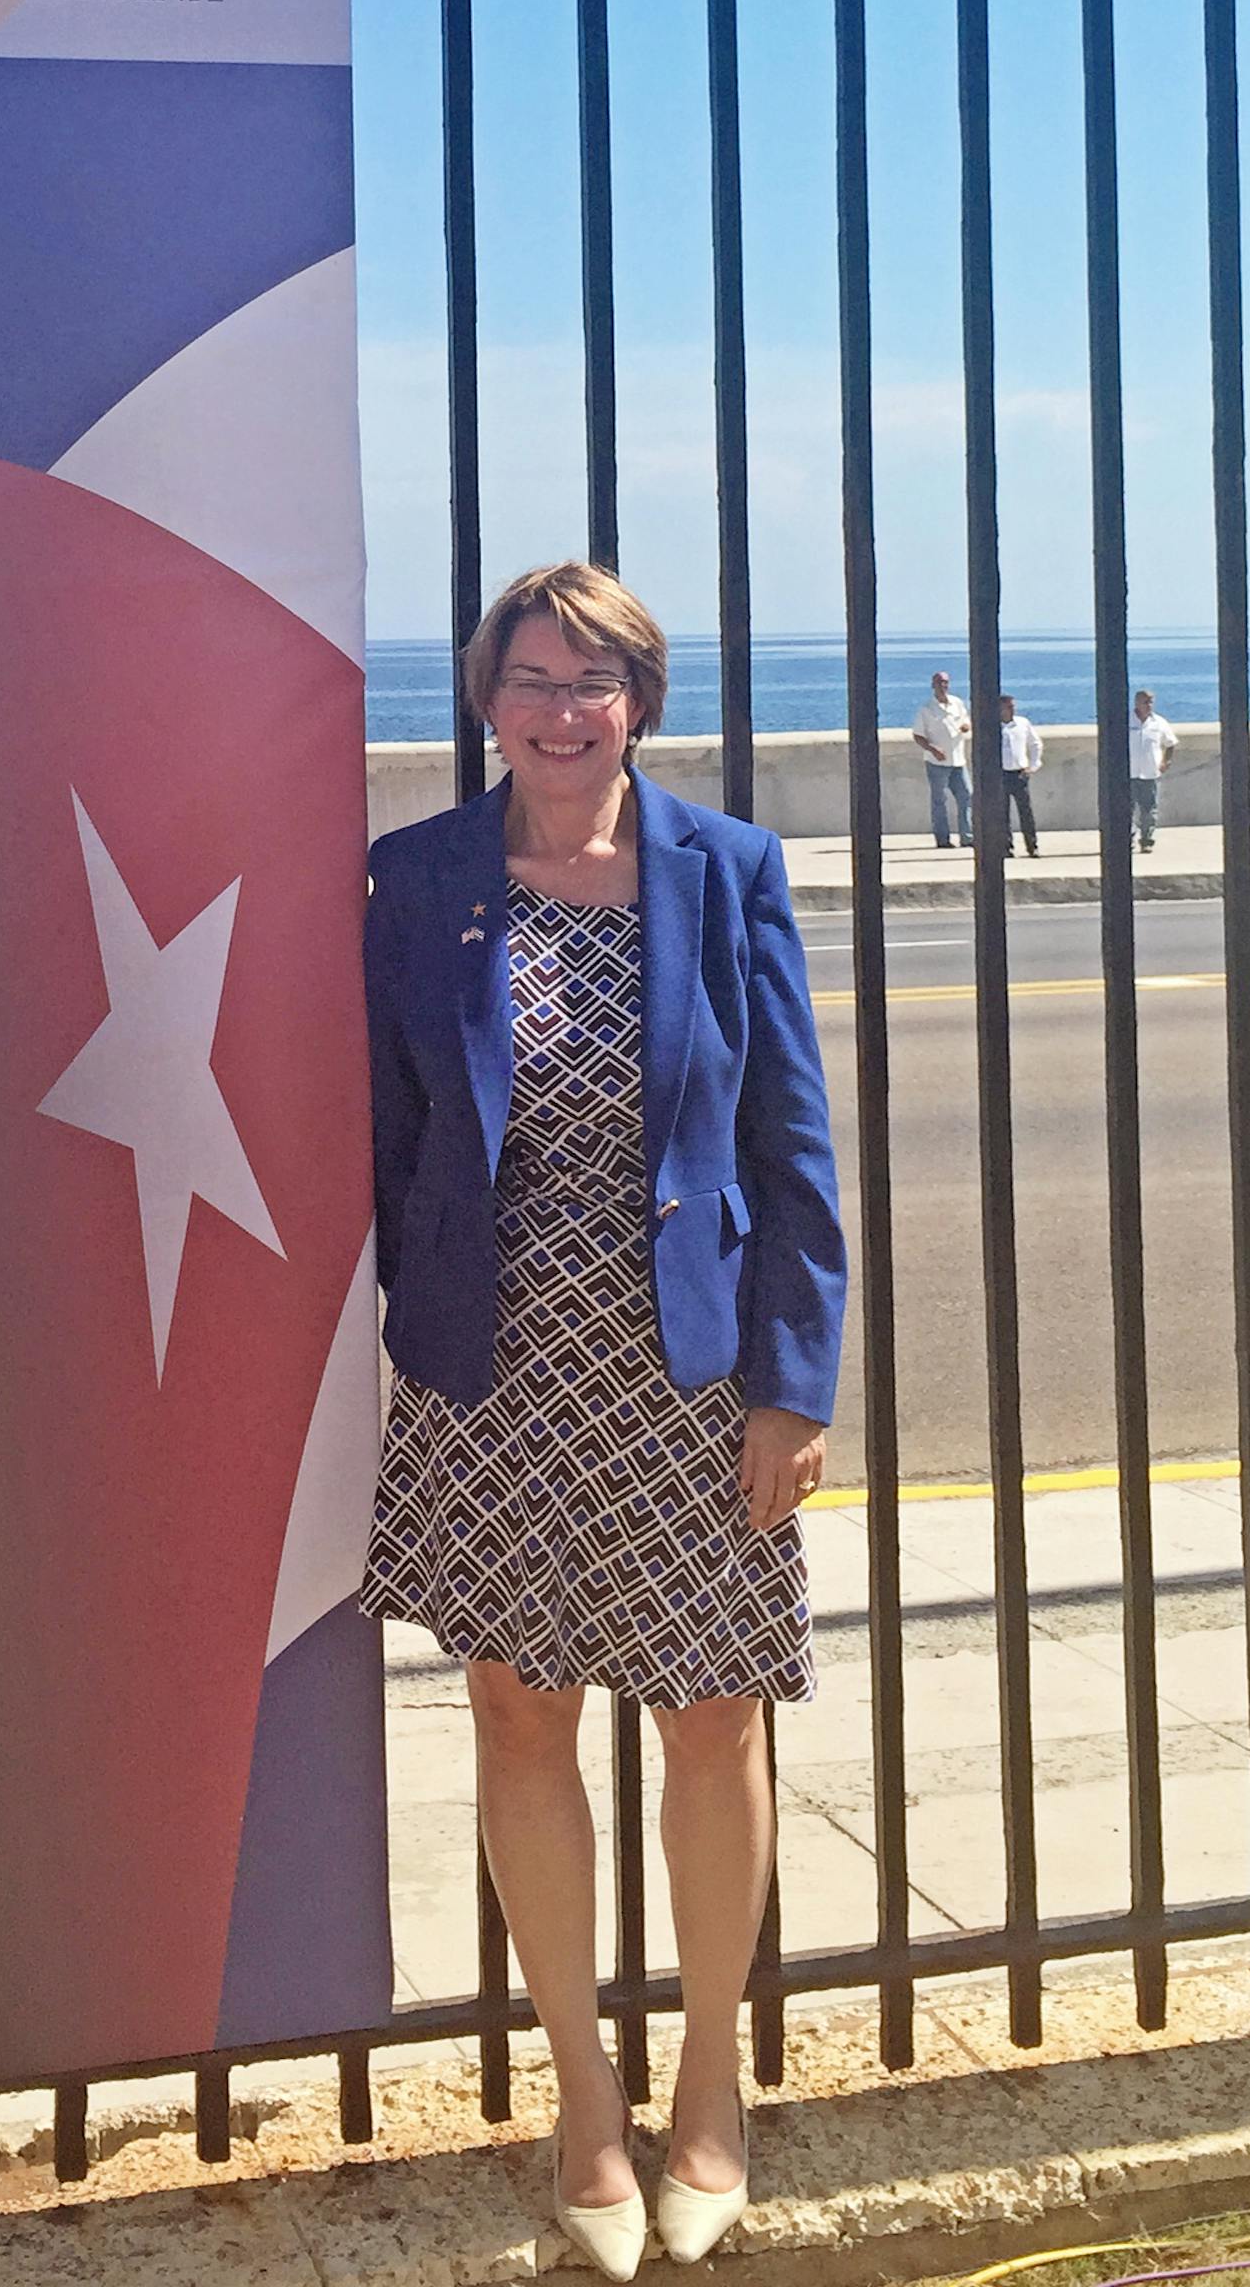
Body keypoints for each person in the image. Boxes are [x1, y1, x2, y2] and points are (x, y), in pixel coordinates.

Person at [363, 561, 846, 2281]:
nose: (561, 709)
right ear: (485, 698)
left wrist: (796, 1381)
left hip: (690, 1372)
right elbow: (387, 1134)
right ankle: (586, 2101)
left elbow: (792, 1141)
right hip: (494, 1377)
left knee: (715, 1719)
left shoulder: (727, 872)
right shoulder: (416, 879)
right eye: (531, 677)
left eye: (596, 678)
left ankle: (710, 2079)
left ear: (641, 697)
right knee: (521, 1715)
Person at [911, 669, 973, 850]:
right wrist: (932, 749)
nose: (943, 685)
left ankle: (968, 837)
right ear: (933, 685)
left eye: (945, 682)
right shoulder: (927, 709)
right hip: (937, 763)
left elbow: (967, 721)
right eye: (939, 682)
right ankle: (942, 839)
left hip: (958, 760)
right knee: (939, 801)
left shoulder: (957, 703)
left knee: (966, 796)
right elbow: (918, 735)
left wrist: (966, 726)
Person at [1127, 686, 1177, 854]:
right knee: (1127, 809)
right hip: (1129, 773)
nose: (1148, 705)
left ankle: (1147, 840)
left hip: (1150, 773)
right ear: (1136, 703)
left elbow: (1170, 743)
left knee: (1149, 809)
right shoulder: (1125, 720)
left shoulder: (1159, 723)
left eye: (1150, 702)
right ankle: (1127, 840)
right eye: (1145, 702)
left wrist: (1166, 761)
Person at [998, 693, 1043, 858]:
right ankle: (1006, 847)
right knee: (1002, 814)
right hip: (1000, 774)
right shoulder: (993, 727)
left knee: (1026, 812)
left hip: (1019, 773)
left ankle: (1032, 846)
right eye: (1008, 706)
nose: (1011, 709)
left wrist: (1033, 765)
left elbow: (1035, 743)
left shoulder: (1022, 723)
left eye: (1012, 706)